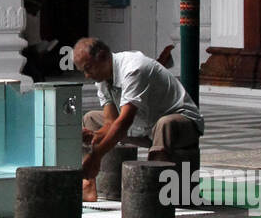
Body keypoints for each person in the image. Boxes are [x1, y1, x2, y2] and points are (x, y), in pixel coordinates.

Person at [72, 37, 203, 202]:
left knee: (164, 124)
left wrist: (97, 155)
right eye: (83, 71)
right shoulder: (102, 78)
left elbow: (124, 122)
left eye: (88, 68)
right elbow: (110, 123)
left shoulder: (134, 68)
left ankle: (155, 194)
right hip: (143, 127)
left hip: (182, 124)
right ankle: (88, 185)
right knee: (90, 118)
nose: (87, 75)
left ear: (103, 56)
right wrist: (96, 136)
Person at [20, 0, 59, 82]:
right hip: (29, 53)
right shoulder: (29, 18)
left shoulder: (24, 16)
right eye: (37, 8)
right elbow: (32, 43)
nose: (37, 11)